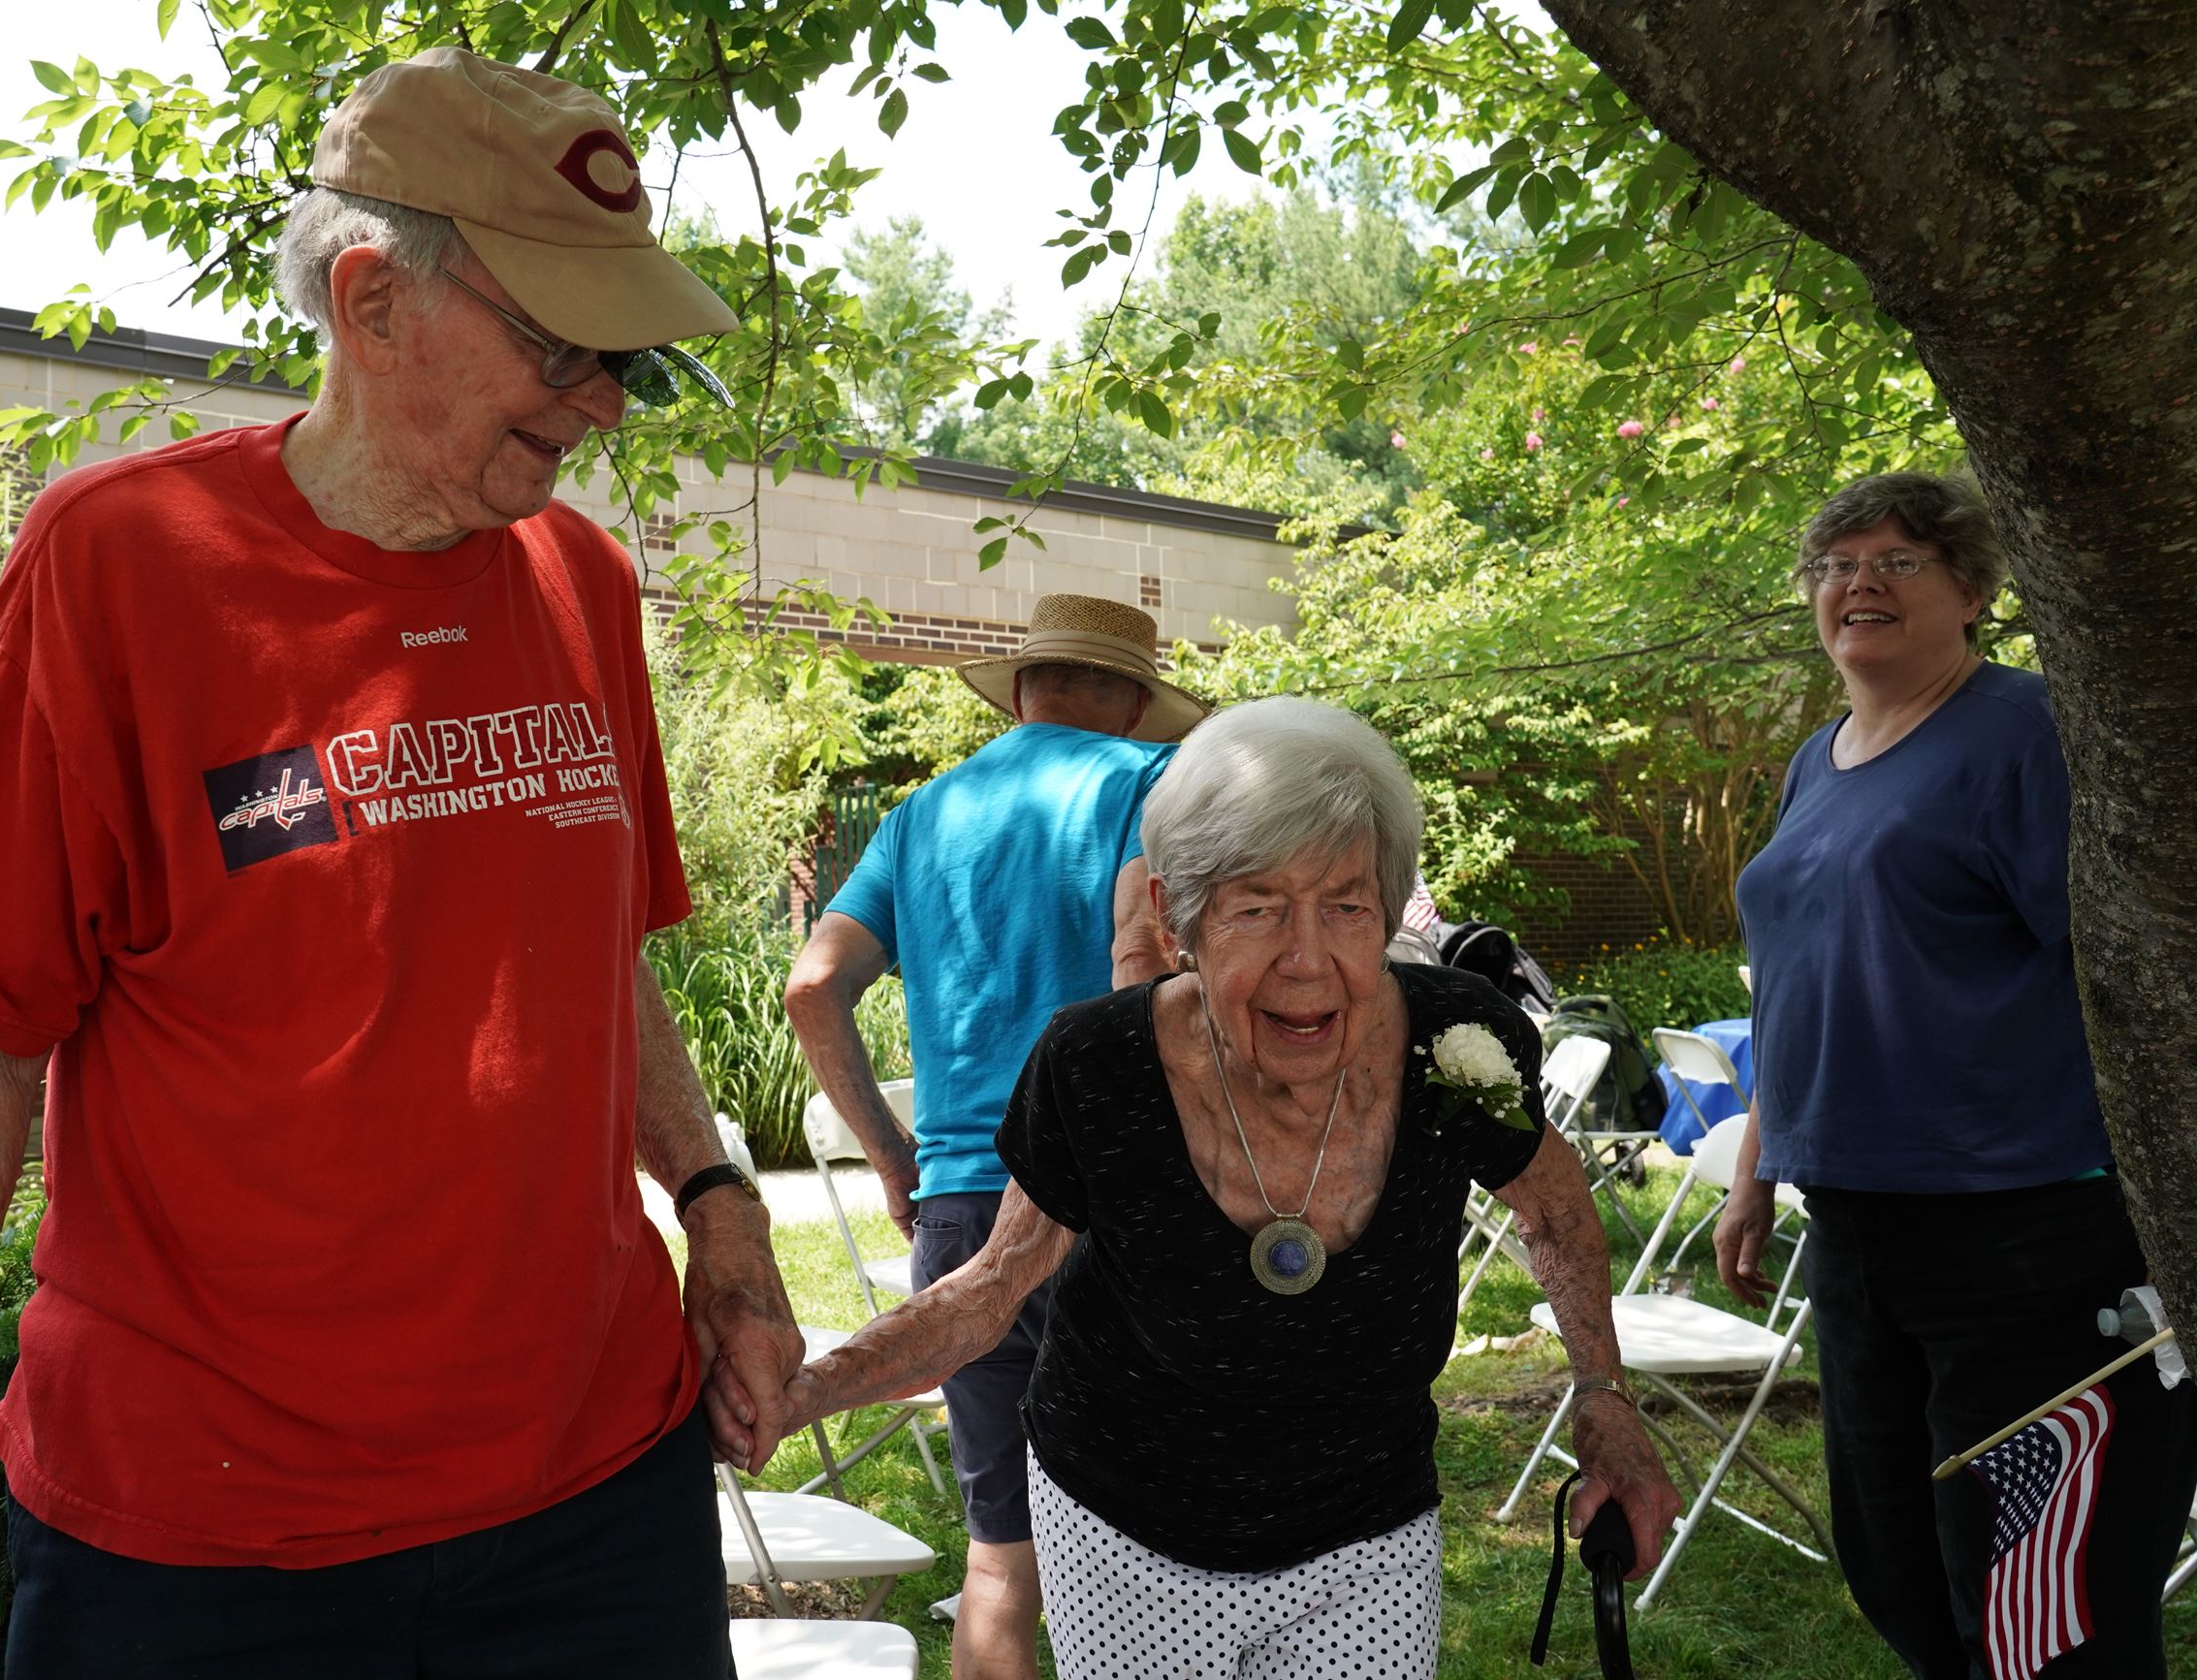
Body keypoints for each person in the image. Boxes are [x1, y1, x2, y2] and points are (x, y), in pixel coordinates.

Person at [0, 49, 804, 1680]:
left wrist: (719, 1203)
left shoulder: (583, 586)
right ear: (369, 298)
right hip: (205, 1537)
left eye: (619, 356)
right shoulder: (118, 567)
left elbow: (592, 954)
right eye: (559, 347)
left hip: (595, 1497)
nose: (606, 401)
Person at [758, 697, 1680, 1679]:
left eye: (1345, 904)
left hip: (1363, 1529)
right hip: (1124, 1526)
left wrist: (1602, 1395)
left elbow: (1550, 1201)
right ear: (1175, 918)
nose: (1307, 955)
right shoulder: (1096, 1065)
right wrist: (804, 1388)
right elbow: (990, 1286)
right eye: (1256, 906)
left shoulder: (1455, 1048)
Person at [1717, 471, 2197, 1678]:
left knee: (2046, 1597)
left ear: (1974, 590)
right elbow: (1793, 983)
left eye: (1895, 560)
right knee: (1897, 1565)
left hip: (2026, 1232)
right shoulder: (1811, 762)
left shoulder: (2029, 732)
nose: (1854, 583)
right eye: (1832, 564)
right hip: (1858, 1228)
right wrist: (1752, 1168)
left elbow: (2132, 978)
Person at [781, 593, 1203, 1680]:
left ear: (1022, 688)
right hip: (1112, 1207)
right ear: (1129, 700)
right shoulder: (1148, 785)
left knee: (999, 1561)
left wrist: (894, 1154)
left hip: (963, 1206)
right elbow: (1142, 967)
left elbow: (813, 983)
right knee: (1165, 1548)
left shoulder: (918, 813)